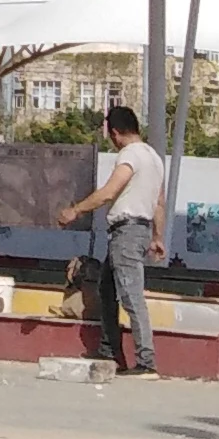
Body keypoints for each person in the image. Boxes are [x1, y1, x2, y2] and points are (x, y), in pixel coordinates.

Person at [60, 104, 166, 374]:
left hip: (127, 233)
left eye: (112, 136)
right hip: (138, 232)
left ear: (117, 133)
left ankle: (146, 362)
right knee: (107, 288)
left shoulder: (130, 155)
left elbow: (109, 192)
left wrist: (76, 209)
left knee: (131, 296)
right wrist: (157, 236)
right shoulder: (154, 158)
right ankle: (110, 352)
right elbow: (159, 203)